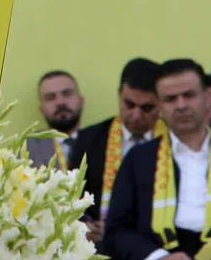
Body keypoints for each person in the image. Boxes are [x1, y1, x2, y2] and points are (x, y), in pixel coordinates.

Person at [104, 59, 211, 260]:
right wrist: (158, 257)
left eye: (189, 95)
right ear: (159, 106)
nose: (181, 105)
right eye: (170, 99)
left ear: (206, 98)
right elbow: (116, 232)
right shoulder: (139, 159)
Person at [69, 58, 166, 251]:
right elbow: (71, 196)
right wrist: (86, 224)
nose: (136, 115)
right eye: (129, 104)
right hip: (102, 246)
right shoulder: (89, 140)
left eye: (147, 108)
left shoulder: (173, 141)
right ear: (119, 93)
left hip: (157, 246)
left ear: (161, 102)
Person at [26, 70, 84, 168]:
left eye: (67, 94)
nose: (60, 102)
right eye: (50, 97)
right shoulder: (27, 149)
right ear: (41, 110)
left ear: (81, 101)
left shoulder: (102, 142)